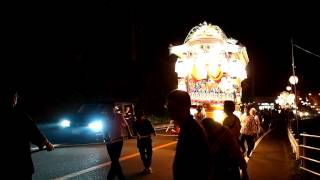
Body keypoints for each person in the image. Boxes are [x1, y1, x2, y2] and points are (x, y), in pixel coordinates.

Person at [2, 87, 54, 179]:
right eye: (15, 97)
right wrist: (47, 144)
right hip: (20, 160)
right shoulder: (19, 115)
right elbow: (33, 131)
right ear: (14, 98)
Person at [167, 90, 210, 180]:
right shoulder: (187, 127)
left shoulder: (192, 131)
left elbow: (197, 168)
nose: (168, 108)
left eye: (171, 105)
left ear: (184, 107)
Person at [103, 103, 127, 180]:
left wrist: (130, 134)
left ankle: (111, 177)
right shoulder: (104, 118)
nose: (108, 110)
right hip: (109, 143)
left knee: (115, 160)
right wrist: (107, 139)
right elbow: (104, 130)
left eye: (110, 108)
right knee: (114, 160)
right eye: (107, 109)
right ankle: (119, 177)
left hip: (118, 141)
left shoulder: (119, 116)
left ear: (114, 108)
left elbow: (126, 125)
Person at [132, 110, 156, 174]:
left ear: (142, 116)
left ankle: (147, 167)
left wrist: (153, 132)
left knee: (149, 153)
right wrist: (137, 135)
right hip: (140, 141)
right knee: (142, 155)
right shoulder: (135, 123)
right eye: (137, 116)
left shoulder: (147, 121)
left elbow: (151, 129)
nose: (139, 117)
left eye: (140, 116)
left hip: (148, 139)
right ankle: (147, 167)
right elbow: (134, 132)